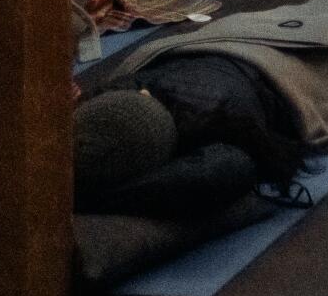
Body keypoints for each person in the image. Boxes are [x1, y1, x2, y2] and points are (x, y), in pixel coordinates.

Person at [74, 52, 309, 217]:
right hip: (214, 50)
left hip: (268, 63)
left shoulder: (214, 118)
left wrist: (84, 202)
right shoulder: (120, 94)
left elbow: (221, 170)